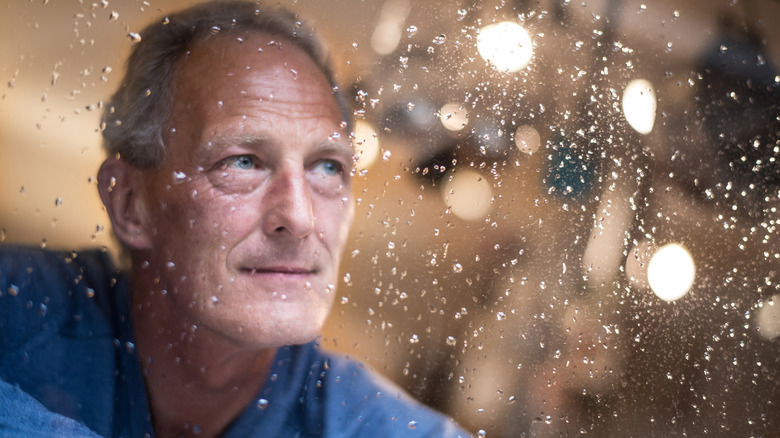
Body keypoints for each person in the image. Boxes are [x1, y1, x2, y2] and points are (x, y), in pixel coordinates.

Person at [0, 2, 471, 437]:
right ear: (129, 203)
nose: (300, 218)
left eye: (327, 167)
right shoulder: (20, 306)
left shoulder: (376, 425)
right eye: (242, 161)